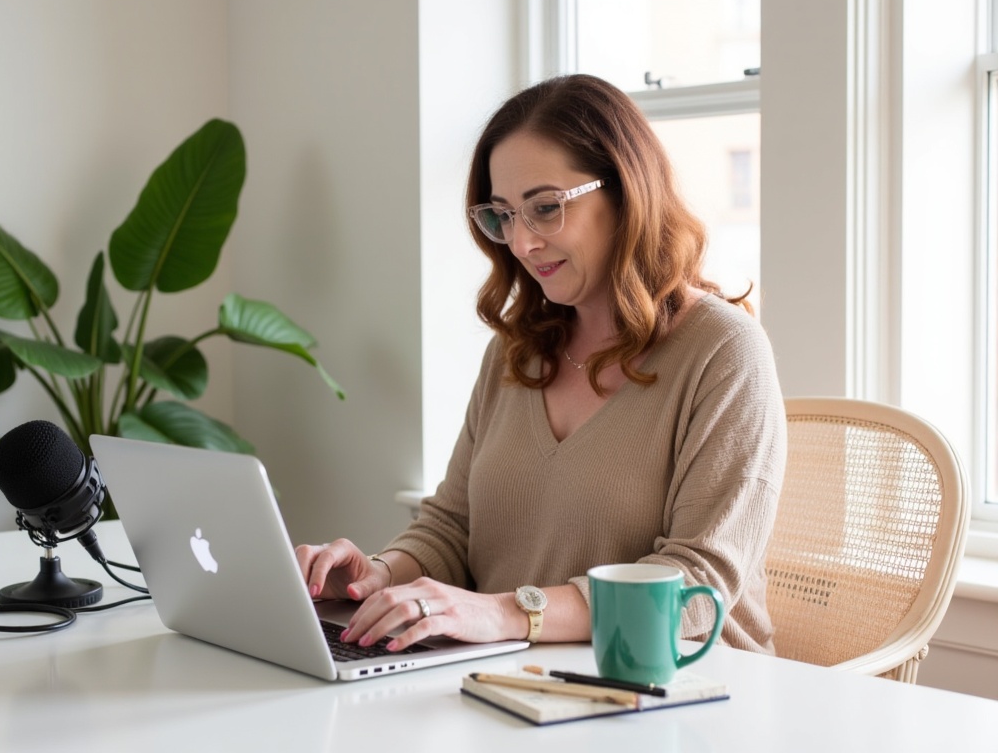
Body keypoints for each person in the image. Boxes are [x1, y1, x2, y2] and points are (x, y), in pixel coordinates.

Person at [295, 73, 786, 656]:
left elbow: (697, 583)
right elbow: (454, 526)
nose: (522, 243)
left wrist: (504, 612)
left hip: (683, 692)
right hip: (515, 685)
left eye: (546, 208)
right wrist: (379, 573)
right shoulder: (516, 350)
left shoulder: (724, 351)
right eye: (503, 215)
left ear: (627, 193)